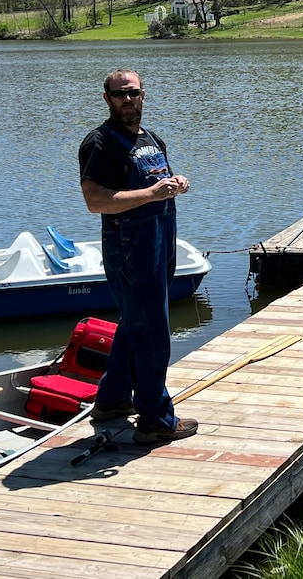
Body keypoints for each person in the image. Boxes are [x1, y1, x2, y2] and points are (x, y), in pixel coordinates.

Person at [78, 69, 198, 445]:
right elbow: (95, 201)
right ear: (107, 99)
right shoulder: (99, 143)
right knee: (153, 333)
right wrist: (151, 193)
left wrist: (175, 184)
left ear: (144, 95)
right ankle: (155, 420)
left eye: (132, 93)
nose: (126, 100)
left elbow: (159, 183)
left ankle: (112, 401)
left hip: (161, 239)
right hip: (130, 247)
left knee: (135, 324)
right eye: (119, 95)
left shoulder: (152, 139)